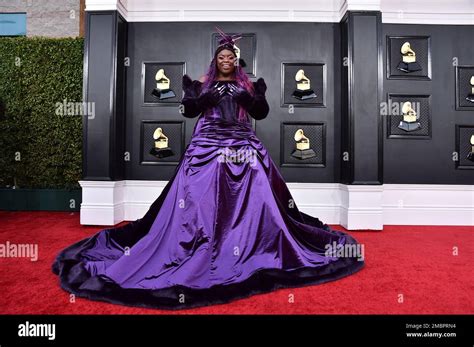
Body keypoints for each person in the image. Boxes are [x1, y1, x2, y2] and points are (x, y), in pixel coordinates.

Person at [52, 27, 364, 310]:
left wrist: (251, 97)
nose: (226, 59)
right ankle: (199, 245)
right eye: (221, 56)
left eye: (230, 56)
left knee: (259, 192)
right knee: (199, 198)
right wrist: (202, 99)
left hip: (243, 145)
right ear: (215, 61)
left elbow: (262, 112)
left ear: (236, 60)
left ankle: (252, 246)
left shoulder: (249, 85)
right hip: (206, 146)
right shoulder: (201, 84)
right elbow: (187, 111)